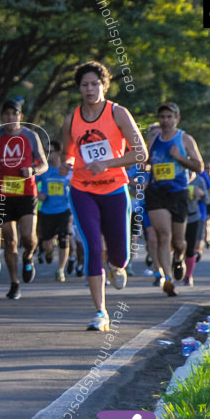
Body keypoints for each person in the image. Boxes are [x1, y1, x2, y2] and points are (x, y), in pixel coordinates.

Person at [59, 62, 146, 331]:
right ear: (79, 88)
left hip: (114, 189)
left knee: (119, 254)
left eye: (95, 84)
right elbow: (67, 153)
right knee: (93, 247)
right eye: (84, 84)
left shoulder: (118, 113)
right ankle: (101, 312)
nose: (89, 89)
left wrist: (108, 164)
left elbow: (141, 153)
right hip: (82, 189)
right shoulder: (71, 119)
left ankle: (117, 266)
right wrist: (66, 163)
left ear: (104, 85)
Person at [0, 100, 48, 300]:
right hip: (1, 195)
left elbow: (44, 164)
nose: (10, 117)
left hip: (26, 192)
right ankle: (15, 283)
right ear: (1, 117)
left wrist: (33, 170)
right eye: (6, 114)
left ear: (20, 117)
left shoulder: (31, 136)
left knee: (28, 237)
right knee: (10, 241)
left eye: (14, 114)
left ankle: (28, 257)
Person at [144, 102, 204, 297]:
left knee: (179, 242)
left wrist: (179, 158)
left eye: (169, 117)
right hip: (156, 193)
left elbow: (199, 167)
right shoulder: (153, 140)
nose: (165, 121)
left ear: (177, 119)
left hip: (178, 193)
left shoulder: (185, 139)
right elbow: (146, 164)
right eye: (162, 117)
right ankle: (167, 278)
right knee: (163, 235)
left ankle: (178, 259)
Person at [36, 142, 73, 282]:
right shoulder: (44, 170)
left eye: (50, 151)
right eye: (46, 151)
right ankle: (49, 250)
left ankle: (60, 270)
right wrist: (39, 193)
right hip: (47, 210)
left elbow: (77, 182)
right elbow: (32, 182)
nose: (47, 154)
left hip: (64, 209)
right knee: (46, 243)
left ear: (58, 153)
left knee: (64, 239)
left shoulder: (67, 169)